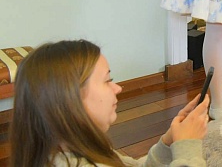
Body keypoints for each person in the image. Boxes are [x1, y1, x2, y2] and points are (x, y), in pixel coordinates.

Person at [10, 40, 208, 167]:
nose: (118, 88)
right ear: (71, 99)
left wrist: (168, 142)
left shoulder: (69, 150)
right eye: (107, 81)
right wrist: (188, 147)